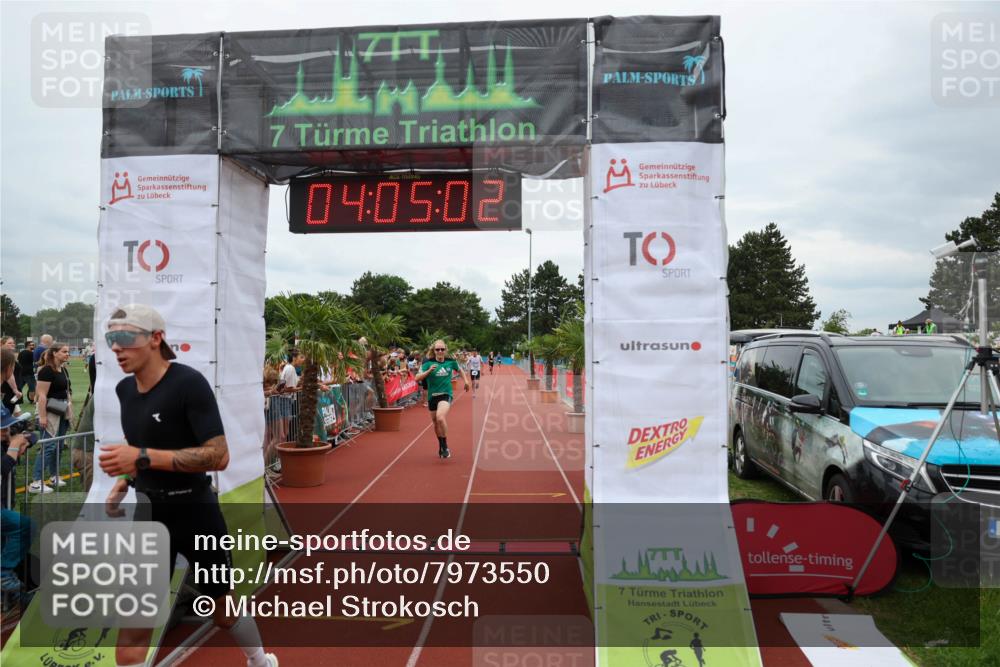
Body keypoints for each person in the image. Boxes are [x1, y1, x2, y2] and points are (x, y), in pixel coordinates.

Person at [98, 304, 278, 667]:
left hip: (195, 513)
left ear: (156, 338)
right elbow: (142, 441)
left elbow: (218, 456)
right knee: (133, 628)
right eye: (110, 339)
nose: (116, 347)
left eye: (125, 337)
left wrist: (141, 458)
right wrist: (125, 480)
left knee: (223, 611)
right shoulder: (124, 390)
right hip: (150, 515)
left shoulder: (188, 384)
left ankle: (260, 661)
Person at [414, 340, 469, 459]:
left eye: (442, 349)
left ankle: (445, 445)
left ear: (445, 350)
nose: (440, 351)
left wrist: (466, 381)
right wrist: (429, 371)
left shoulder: (451, 361)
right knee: (435, 423)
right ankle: (441, 445)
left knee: (440, 417)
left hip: (446, 394)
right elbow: (416, 378)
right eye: (437, 349)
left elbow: (460, 370)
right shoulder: (427, 363)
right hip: (432, 396)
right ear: (434, 351)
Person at [30, 342, 72, 494]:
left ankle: (54, 476)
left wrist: (69, 407)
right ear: (54, 353)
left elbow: (67, 391)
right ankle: (36, 482)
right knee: (48, 446)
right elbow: (41, 396)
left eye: (68, 351)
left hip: (62, 409)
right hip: (49, 411)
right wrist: (42, 416)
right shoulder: (46, 371)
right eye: (64, 351)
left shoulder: (63, 369)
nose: (67, 354)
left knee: (59, 445)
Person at [1, 337, 20, 413]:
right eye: (9, 343)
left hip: (10, 389)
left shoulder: (10, 356)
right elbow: (9, 374)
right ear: (2, 344)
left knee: (15, 413)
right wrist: (15, 389)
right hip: (6, 389)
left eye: (13, 343)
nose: (12, 344)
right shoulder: (6, 357)